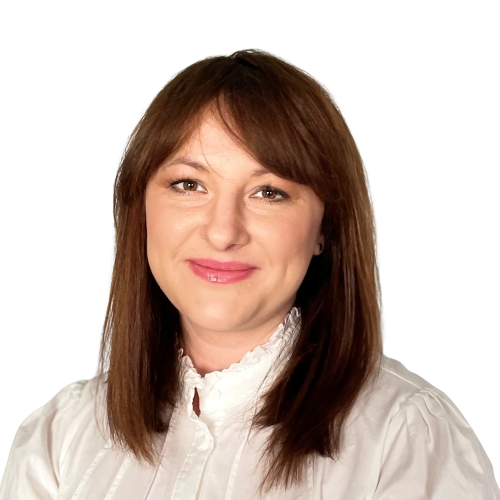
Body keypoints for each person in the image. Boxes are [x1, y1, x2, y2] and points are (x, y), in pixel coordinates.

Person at [1, 49, 498, 500]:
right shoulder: (59, 436)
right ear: (141, 209)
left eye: (269, 192)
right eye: (188, 184)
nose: (223, 232)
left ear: (325, 227)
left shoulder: (408, 438)